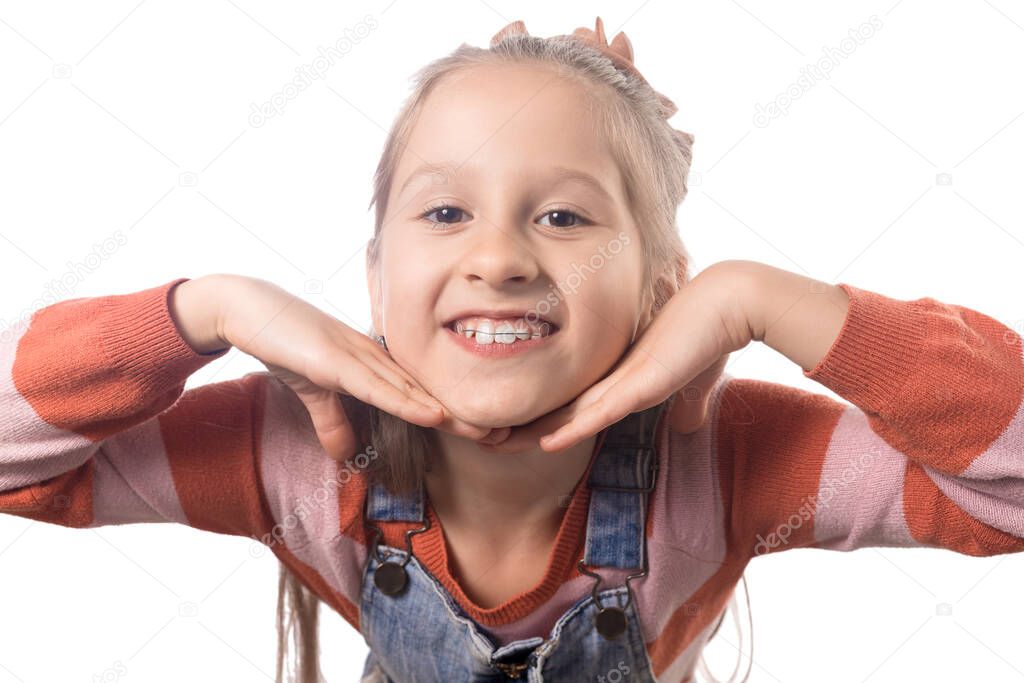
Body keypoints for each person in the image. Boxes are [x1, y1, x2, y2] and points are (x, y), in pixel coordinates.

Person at [2, 16, 1022, 683]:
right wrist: (199, 309)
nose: (497, 256)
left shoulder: (729, 458)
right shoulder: (299, 453)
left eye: (566, 219)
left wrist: (772, 301)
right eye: (445, 209)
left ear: (665, 293)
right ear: (373, 278)